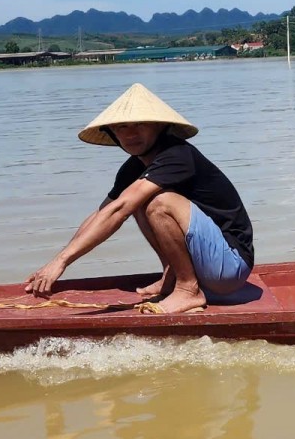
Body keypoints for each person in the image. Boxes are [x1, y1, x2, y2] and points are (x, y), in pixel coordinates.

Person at [24, 83, 256, 315]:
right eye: (121, 127)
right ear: (112, 133)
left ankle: (188, 289)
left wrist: (63, 261)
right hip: (208, 262)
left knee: (158, 203)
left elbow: (120, 210)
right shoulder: (133, 168)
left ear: (159, 127)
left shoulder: (177, 155)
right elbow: (104, 213)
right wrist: (54, 262)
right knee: (135, 200)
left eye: (140, 125)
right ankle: (172, 275)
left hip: (231, 266)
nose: (130, 134)